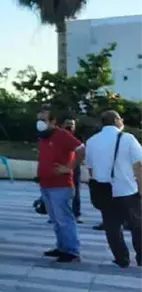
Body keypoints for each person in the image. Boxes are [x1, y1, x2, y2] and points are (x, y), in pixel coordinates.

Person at [84, 111, 142, 268]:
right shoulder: (128, 138)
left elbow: (90, 169)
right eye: (121, 118)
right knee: (138, 225)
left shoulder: (92, 141)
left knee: (112, 227)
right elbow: (139, 164)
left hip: (104, 190)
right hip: (126, 190)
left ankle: (121, 258)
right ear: (116, 120)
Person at [36, 107, 84, 263]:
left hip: (61, 185)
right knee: (56, 219)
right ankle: (62, 246)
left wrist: (69, 167)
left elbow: (81, 149)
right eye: (38, 120)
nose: (40, 123)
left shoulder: (62, 135)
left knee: (64, 218)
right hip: (46, 184)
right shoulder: (43, 136)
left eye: (43, 120)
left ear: (53, 121)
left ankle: (72, 250)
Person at [62, 118, 84, 223]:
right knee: (59, 190)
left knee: (76, 190)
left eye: (72, 124)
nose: (70, 126)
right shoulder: (58, 137)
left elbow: (81, 151)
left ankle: (76, 214)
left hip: (74, 166)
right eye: (68, 124)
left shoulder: (77, 138)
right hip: (61, 165)